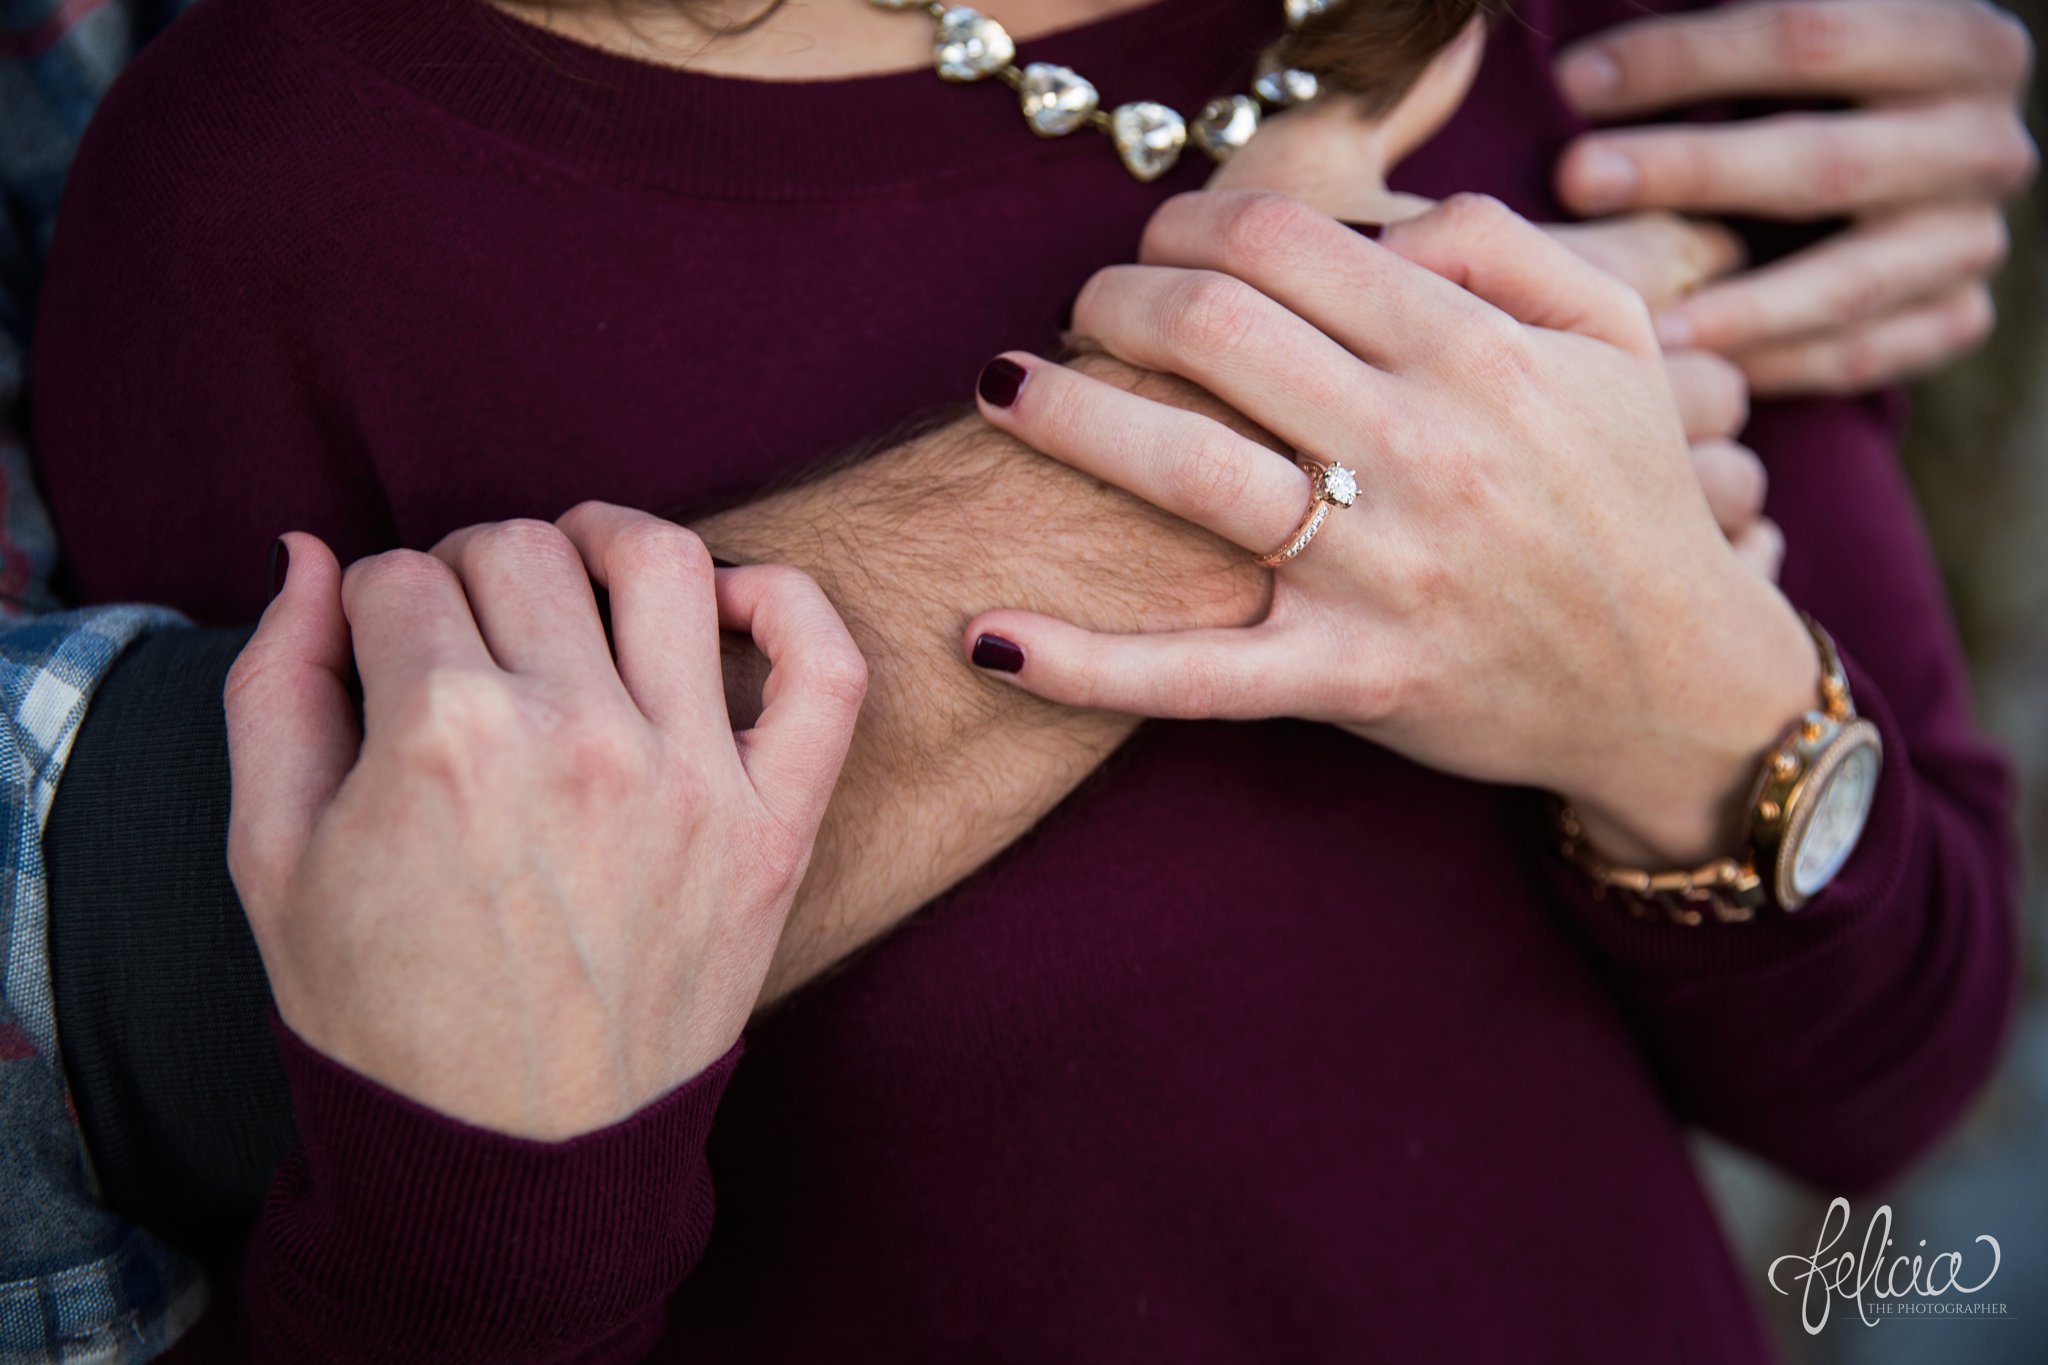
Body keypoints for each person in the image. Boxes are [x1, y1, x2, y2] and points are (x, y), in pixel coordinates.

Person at [0, 0, 2033, 1361]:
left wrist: (1670, 707)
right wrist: (493, 1195)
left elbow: (1889, 1064)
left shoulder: (1591, 42)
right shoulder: (275, 198)